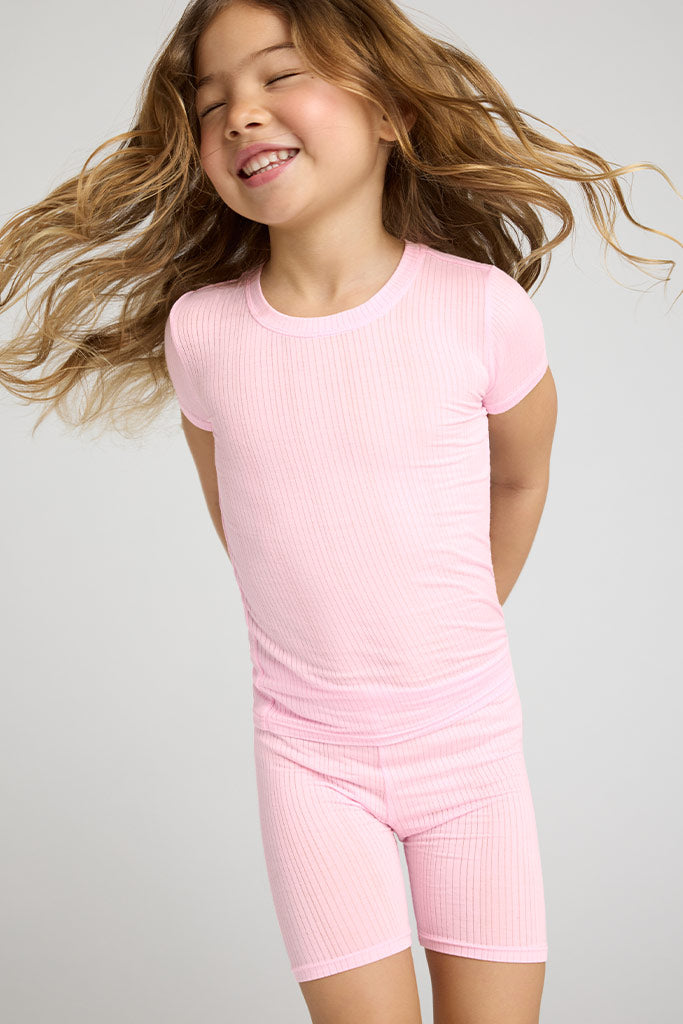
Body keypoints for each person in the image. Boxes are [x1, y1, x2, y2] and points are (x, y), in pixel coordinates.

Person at [1, 2, 680, 1022]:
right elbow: (246, 521)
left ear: (391, 113)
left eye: (280, 75)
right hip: (308, 765)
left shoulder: (478, 308)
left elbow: (518, 478)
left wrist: (457, 618)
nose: (241, 113)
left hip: (469, 755)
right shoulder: (203, 334)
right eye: (212, 101)